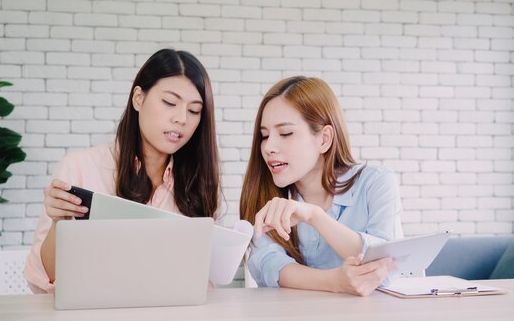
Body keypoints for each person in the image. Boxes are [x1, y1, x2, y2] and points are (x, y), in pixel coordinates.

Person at [25, 49, 220, 293]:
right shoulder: (79, 168)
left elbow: (205, 284)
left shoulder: (198, 183)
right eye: (170, 102)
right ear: (138, 98)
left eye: (194, 110)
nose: (182, 118)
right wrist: (58, 224)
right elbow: (42, 282)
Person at [240, 76, 403, 296]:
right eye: (264, 135)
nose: (268, 147)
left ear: (324, 139)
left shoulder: (376, 182)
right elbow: (267, 265)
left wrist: (315, 216)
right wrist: (334, 281)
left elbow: (388, 265)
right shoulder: (266, 194)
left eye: (285, 133)